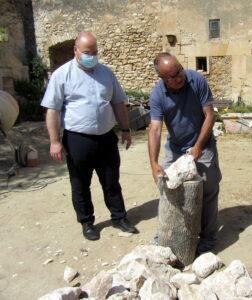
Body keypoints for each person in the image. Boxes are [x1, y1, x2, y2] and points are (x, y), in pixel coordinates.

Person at [41, 32, 138, 241]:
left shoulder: (106, 73)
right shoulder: (62, 75)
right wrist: (55, 141)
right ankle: (87, 223)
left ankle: (119, 218)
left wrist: (126, 129)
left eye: (94, 52)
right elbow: (52, 110)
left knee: (112, 181)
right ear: (75, 50)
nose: (91, 56)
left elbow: (118, 103)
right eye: (87, 52)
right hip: (77, 139)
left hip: (106, 137)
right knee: (80, 184)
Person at [148, 53, 222, 254]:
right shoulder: (157, 94)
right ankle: (167, 234)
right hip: (176, 147)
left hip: (203, 143)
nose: (179, 77)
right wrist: (154, 163)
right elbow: (154, 129)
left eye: (179, 70)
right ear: (163, 79)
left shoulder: (196, 80)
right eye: (172, 76)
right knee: (168, 189)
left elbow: (209, 115)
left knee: (207, 189)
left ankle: (207, 238)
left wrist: (198, 146)